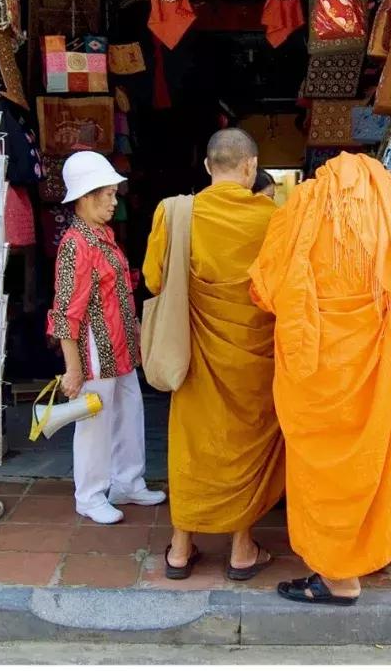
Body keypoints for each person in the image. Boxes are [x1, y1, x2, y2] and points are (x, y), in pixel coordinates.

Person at [250, 152, 391, 606]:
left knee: (322, 476)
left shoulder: (301, 219)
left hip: (317, 381)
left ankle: (336, 577)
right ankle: (356, 561)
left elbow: (265, 293)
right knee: (370, 467)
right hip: (378, 379)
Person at [143, 129, 284, 581]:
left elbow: (153, 280)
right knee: (246, 445)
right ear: (250, 167)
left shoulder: (176, 214)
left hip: (196, 356)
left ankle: (181, 549)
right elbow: (283, 290)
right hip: (254, 361)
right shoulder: (274, 220)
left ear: (207, 167)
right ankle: (242, 549)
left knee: (192, 447)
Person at [47, 151, 166, 525]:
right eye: (108, 194)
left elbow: (120, 294)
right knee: (95, 422)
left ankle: (127, 482)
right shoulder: (75, 245)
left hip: (120, 346)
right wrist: (73, 368)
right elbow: (66, 310)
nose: (115, 201)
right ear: (85, 197)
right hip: (95, 350)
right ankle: (90, 494)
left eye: (115, 193)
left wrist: (135, 337)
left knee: (129, 412)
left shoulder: (104, 236)